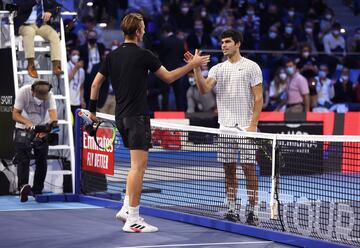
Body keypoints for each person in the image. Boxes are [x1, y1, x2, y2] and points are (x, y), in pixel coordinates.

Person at [88, 12, 210, 233]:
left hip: (121, 117)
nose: (144, 30)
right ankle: (133, 218)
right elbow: (170, 77)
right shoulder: (144, 54)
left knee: (135, 167)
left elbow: (95, 85)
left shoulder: (111, 56)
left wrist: (92, 111)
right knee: (138, 167)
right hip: (137, 117)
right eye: (142, 27)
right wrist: (193, 64)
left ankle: (126, 207)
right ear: (137, 31)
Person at [186, 29, 263, 225]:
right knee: (228, 169)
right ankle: (231, 208)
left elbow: (258, 98)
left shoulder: (252, 67)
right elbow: (204, 89)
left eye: (227, 42)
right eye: (222, 42)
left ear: (237, 44)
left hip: (246, 127)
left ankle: (253, 211)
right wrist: (195, 67)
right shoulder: (217, 69)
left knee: (249, 168)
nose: (223, 45)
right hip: (225, 127)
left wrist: (253, 125)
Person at [12, 80, 57, 202]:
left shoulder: (50, 95)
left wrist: (47, 129)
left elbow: (54, 117)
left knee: (42, 160)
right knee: (23, 159)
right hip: (23, 127)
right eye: (39, 97)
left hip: (42, 128)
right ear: (32, 92)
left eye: (44, 98)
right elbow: (15, 114)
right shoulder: (23, 92)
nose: (41, 100)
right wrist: (28, 123)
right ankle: (23, 188)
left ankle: (37, 190)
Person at [14, 0, 61, 78]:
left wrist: (50, 12)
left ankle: (56, 65)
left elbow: (57, 7)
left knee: (54, 35)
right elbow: (20, 7)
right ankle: (31, 65)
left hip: (41, 25)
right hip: (25, 24)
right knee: (29, 33)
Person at [67, 48, 85, 118]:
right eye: (74, 54)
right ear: (70, 56)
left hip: (77, 102)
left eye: (78, 55)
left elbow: (81, 87)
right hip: (68, 100)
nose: (76, 56)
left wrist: (82, 99)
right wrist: (76, 68)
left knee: (76, 125)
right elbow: (67, 79)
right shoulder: (66, 66)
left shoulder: (82, 70)